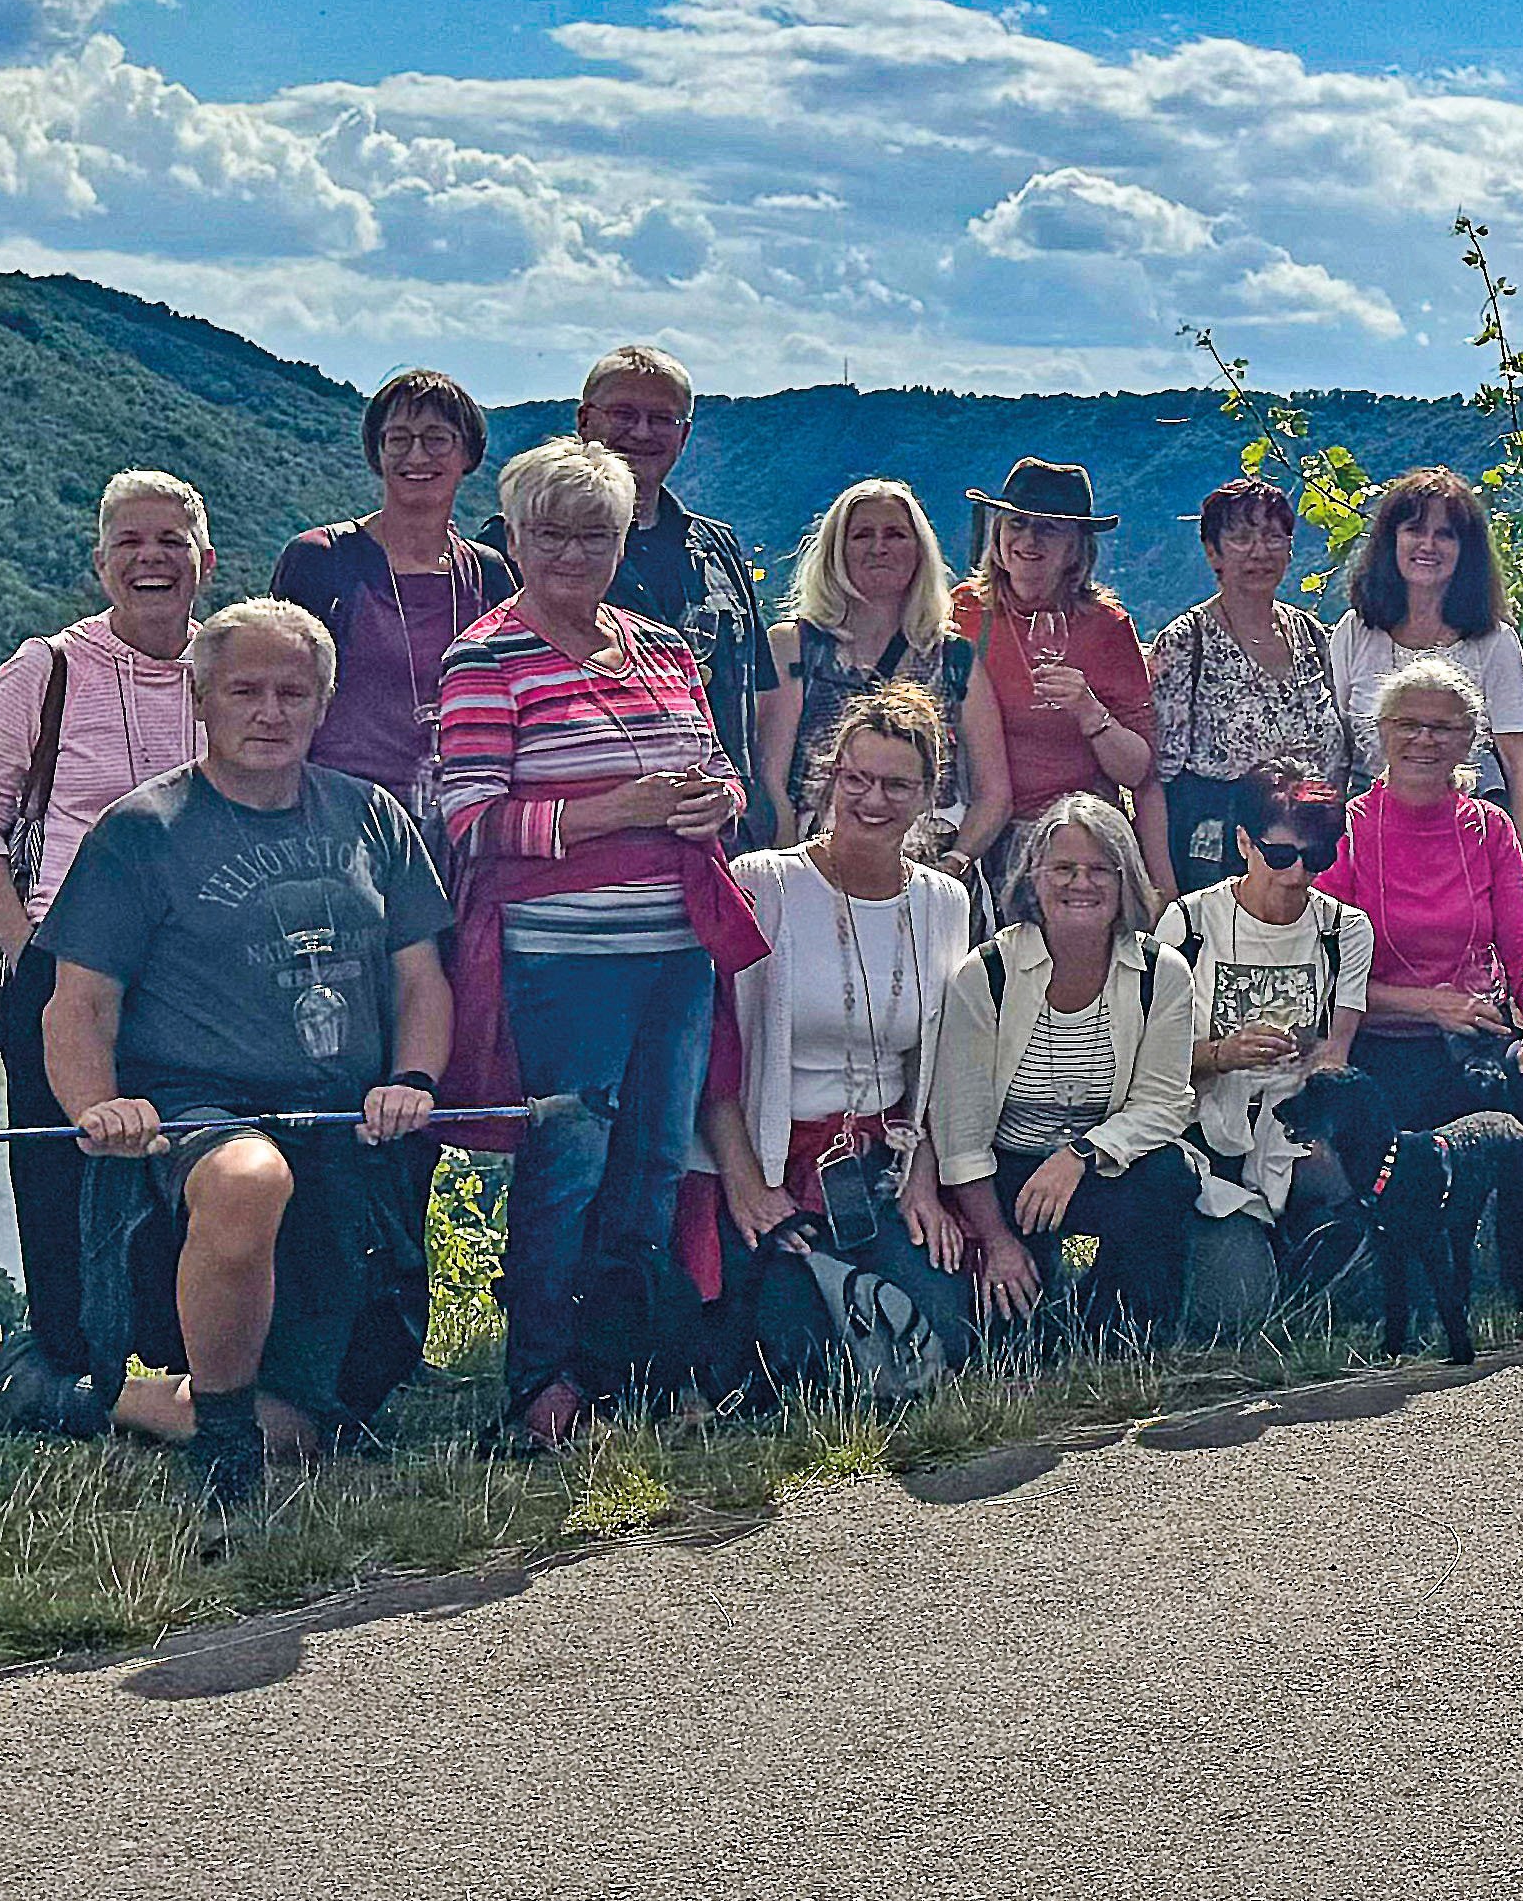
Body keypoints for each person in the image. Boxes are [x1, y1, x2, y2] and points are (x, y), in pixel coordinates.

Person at [36, 600, 453, 1506]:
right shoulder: (139, 832)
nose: (270, 711)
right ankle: (224, 1453)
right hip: (200, 1112)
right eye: (246, 690)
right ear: (201, 698)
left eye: (292, 691)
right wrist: (96, 1107)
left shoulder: (372, 816)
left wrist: (412, 1079)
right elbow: (78, 1006)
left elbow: (419, 977)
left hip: (347, 1128)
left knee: (309, 1429)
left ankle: (84, 1396)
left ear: (324, 702)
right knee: (246, 1178)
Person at [438, 437, 770, 1454]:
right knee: (564, 1174)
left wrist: (719, 800)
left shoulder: (665, 646)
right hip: (558, 962)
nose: (572, 553)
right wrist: (610, 810)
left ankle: (624, 1366)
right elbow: (468, 820)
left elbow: (724, 771)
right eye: (550, 532)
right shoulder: (485, 655)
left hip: (674, 951)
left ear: (625, 539)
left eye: (594, 532)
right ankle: (540, 1382)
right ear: (515, 537)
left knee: (654, 1170)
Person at [0, 470, 217, 1457]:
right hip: (59, 964)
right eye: (130, 541)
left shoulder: (227, 669)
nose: (151, 558)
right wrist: (20, 944)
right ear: (100, 562)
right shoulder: (45, 668)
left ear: (206, 562)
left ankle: (173, 1362)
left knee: (175, 1156)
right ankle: (71, 1365)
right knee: (61, 1164)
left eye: (172, 540)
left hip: (192, 968)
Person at [691, 684, 983, 1378]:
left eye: (895, 785)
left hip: (882, 1168)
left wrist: (923, 1182)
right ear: (830, 775)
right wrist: (744, 1180)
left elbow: (938, 1065)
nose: (872, 801)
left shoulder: (944, 900)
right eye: (856, 778)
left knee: (947, 1335)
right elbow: (713, 1046)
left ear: (927, 795)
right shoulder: (765, 882)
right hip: (771, 1158)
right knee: (795, 1357)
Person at [1316, 662, 1523, 1304]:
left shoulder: (1490, 828)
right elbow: (1316, 968)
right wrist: (1426, 1005)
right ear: (1380, 732)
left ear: (1471, 740)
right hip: (1379, 1037)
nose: (1425, 740)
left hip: (1474, 1037)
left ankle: (1519, 1259)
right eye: (1408, 724)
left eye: (1444, 727)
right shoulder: (1347, 830)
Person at [925, 796, 1207, 1342]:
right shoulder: (985, 974)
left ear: (1126, 881)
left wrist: (1081, 1155)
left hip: (1102, 1169)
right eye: (1064, 868)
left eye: (1100, 869)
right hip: (1005, 1180)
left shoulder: (1161, 972)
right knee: (1011, 1333)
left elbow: (1166, 1104)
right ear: (1034, 878)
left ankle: (1130, 1342)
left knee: (1166, 1177)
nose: (1082, 883)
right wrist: (997, 1241)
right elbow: (959, 1133)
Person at [475, 345, 774, 843]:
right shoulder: (510, 549)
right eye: (624, 414)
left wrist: (755, 797)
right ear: (584, 420)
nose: (641, 431)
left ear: (685, 434)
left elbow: (761, 692)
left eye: (661, 418)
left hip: (723, 839)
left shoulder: (719, 546)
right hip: (577, 855)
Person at [1154, 765, 1373, 1272]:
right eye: (1279, 855)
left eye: (1318, 857)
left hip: (1294, 1127)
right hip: (1199, 1133)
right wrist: (1220, 1055)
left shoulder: (1345, 930)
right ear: (1244, 844)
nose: (1297, 873)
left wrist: (1311, 1064)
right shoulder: (1189, 923)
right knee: (1234, 1302)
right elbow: (1147, 1066)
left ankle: (1307, 1240)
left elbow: (1335, 1058)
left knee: (1354, 1269)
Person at [269, 369, 513, 811]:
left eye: (437, 438)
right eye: (398, 439)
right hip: (339, 813)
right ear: (377, 454)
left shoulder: (489, 574)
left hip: (465, 815)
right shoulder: (321, 560)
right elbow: (278, 692)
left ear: (468, 454)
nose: (416, 454)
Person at [948, 458, 1162, 888]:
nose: (1028, 538)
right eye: (1017, 523)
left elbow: (1140, 769)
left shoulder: (1106, 626)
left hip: (1075, 837)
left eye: (1048, 528)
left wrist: (1089, 712)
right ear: (998, 533)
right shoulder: (966, 610)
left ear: (1075, 547)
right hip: (979, 832)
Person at [1151, 479, 1364, 894]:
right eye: (1241, 537)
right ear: (1212, 551)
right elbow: (1159, 778)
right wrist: (1162, 886)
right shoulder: (1185, 641)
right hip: (1226, 861)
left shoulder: (1309, 634)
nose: (1259, 551)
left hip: (1317, 854)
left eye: (1272, 536)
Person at [755, 479, 977, 850]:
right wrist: (788, 869)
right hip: (818, 858)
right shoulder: (793, 647)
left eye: (895, 534)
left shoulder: (954, 660)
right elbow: (770, 778)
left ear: (920, 549)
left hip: (925, 865)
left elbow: (994, 792)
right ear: (836, 550)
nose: (879, 547)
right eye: (861, 535)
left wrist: (956, 864)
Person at [1331, 468, 1523, 841]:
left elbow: (1521, 766)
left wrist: (1518, 862)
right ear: (1390, 541)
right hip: (1368, 834)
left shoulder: (1495, 642)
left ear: (1467, 552)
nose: (1428, 544)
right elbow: (1336, 753)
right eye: (1414, 530)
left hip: (1467, 836)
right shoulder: (1355, 632)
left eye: (1445, 534)